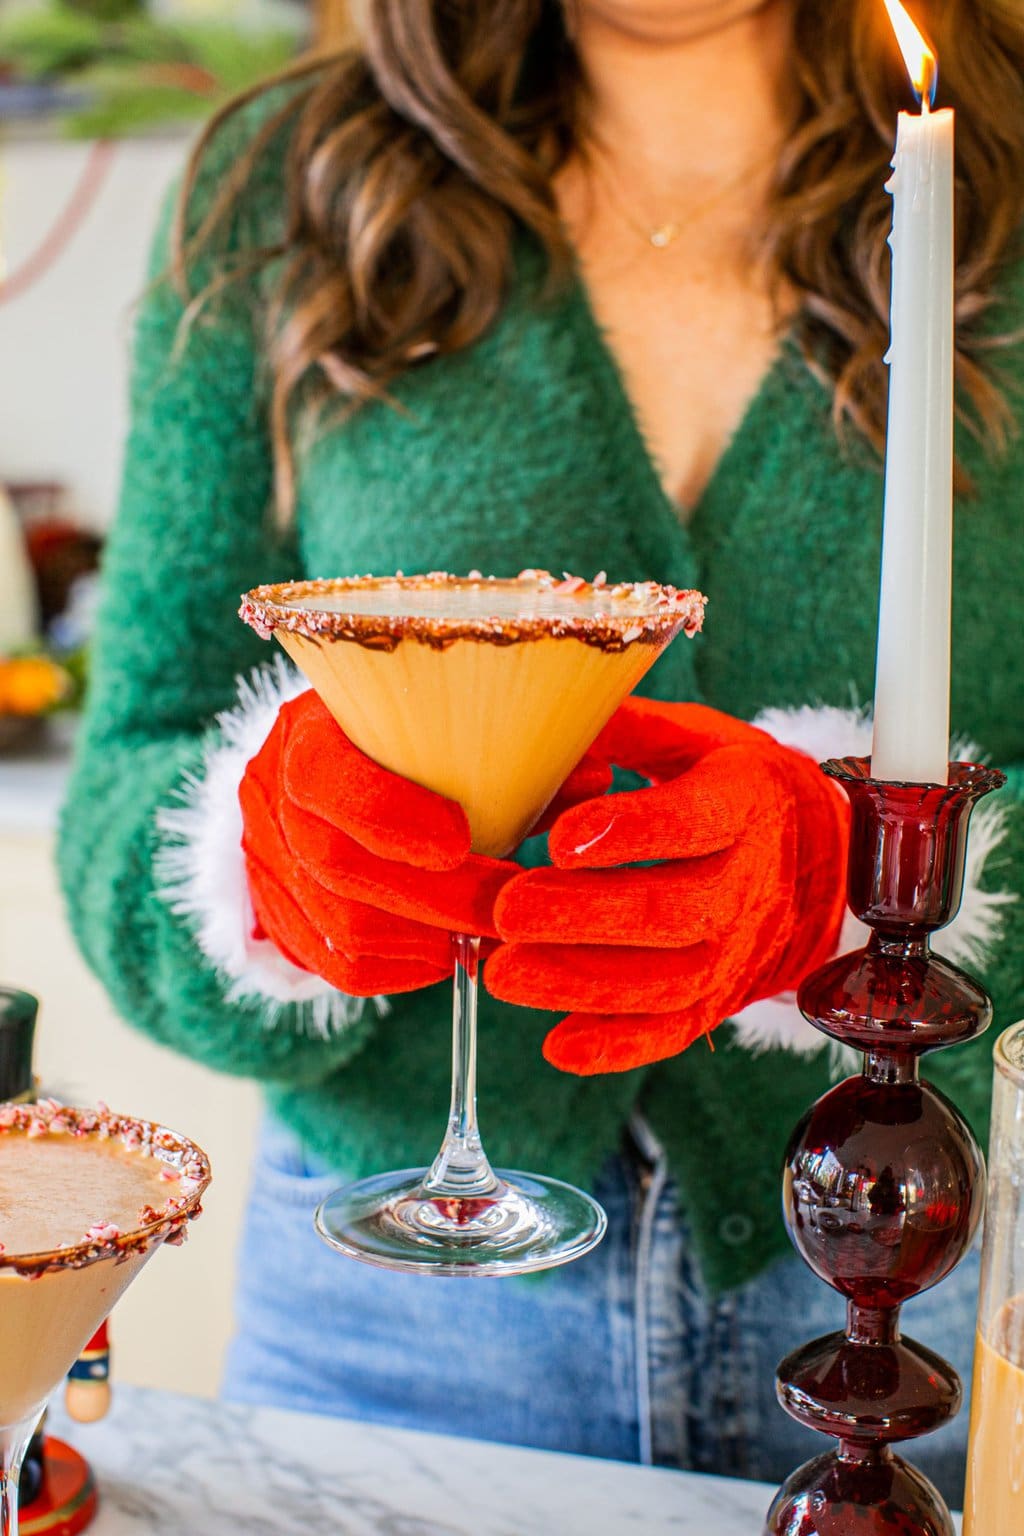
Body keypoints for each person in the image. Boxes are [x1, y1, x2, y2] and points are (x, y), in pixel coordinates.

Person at [59, 0, 1024, 1502]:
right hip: (391, 1320)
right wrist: (244, 858)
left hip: (915, 1295)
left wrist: (870, 889)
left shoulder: (1004, 174)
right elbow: (134, 769)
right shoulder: (284, 181)